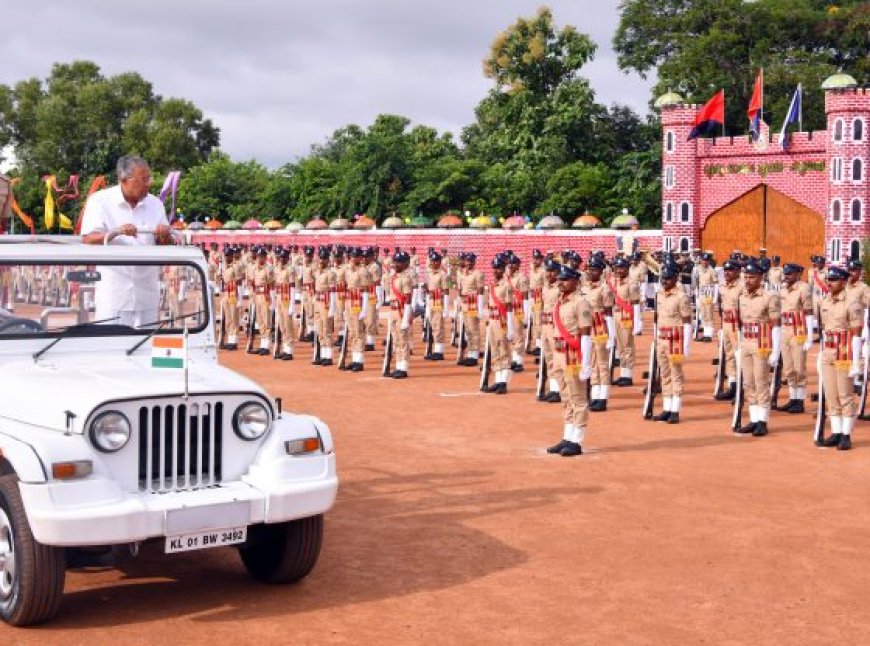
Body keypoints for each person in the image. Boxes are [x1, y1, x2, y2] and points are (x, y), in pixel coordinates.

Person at [81, 155, 174, 327]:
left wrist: (164, 236)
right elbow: (88, 239)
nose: (148, 184)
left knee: (146, 348)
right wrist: (115, 232)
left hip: (147, 297)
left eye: (149, 178)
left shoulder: (155, 204)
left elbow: (165, 246)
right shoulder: (100, 201)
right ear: (124, 180)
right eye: (143, 179)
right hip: (114, 297)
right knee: (111, 349)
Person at [546, 265, 592, 457]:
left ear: (575, 281)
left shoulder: (581, 302)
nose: (561, 282)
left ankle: (577, 440)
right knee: (566, 397)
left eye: (565, 279)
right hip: (559, 355)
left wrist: (586, 364)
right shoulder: (560, 302)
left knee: (578, 398)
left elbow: (586, 335)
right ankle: (568, 436)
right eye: (560, 279)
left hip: (573, 355)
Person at [818, 266, 865, 450]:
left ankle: (846, 434)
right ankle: (836, 431)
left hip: (845, 352)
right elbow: (823, 329)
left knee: (845, 395)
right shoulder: (825, 302)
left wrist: (855, 362)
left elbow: (856, 333)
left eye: (834, 280)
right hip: (828, 350)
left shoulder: (852, 303)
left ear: (843, 282)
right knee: (831, 395)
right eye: (829, 279)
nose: (829, 283)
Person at [734, 261, 782, 437]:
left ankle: (762, 421)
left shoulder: (770, 297)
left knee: (761, 381)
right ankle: (754, 419)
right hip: (746, 341)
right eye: (745, 277)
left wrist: (775, 352)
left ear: (761, 277)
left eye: (751, 277)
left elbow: (776, 326)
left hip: (762, 342)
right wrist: (739, 345)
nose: (747, 280)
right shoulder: (742, 296)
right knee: (748, 382)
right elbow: (740, 324)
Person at [650, 264, 692, 424]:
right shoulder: (659, 295)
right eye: (663, 278)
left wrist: (686, 345)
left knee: (676, 374)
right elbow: (656, 318)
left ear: (676, 278)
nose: (664, 281)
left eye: (668, 278)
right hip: (661, 339)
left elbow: (687, 322)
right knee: (664, 374)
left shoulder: (681, 296)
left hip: (675, 340)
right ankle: (667, 408)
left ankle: (675, 409)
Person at [775, 264, 813, 413]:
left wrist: (809, 337)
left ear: (798, 274)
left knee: (799, 368)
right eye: (786, 273)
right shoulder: (783, 289)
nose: (787, 276)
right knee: (789, 368)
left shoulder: (803, 289)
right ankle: (792, 398)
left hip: (798, 330)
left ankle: (800, 401)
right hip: (785, 329)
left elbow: (809, 313)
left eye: (790, 274)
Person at [580, 257, 615, 412]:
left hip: (600, 327)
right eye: (590, 269)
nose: (591, 272)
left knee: (602, 364)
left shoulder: (605, 289)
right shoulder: (584, 288)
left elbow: (608, 313)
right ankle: (595, 395)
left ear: (601, 271)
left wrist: (611, 336)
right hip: (587, 328)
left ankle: (603, 397)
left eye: (595, 269)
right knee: (592, 362)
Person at [484, 255, 515, 394]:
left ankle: (504, 382)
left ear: (503, 270)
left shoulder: (506, 285)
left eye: (499, 268)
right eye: (495, 268)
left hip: (502, 321)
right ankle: (497, 380)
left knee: (503, 350)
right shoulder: (491, 285)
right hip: (492, 320)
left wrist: (511, 328)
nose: (496, 270)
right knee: (495, 350)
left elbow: (509, 307)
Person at [610, 257, 642, 386]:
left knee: (627, 344)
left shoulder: (632, 283)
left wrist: (637, 322)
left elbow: (636, 304)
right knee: (620, 345)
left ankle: (627, 375)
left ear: (627, 269)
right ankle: (623, 373)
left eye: (621, 268)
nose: (618, 270)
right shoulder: (615, 282)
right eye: (617, 268)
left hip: (626, 315)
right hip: (616, 313)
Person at [714, 259, 743, 401]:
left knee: (740, 355)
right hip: (726, 324)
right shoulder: (722, 286)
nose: (727, 273)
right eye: (725, 270)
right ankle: (733, 384)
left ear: (738, 271)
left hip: (738, 324)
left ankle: (742, 386)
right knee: (729, 355)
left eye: (730, 270)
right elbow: (721, 305)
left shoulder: (742, 286)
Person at [343, 247, 372, 371]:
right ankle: (354, 359)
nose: (354, 259)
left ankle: (359, 361)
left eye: (356, 257)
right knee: (352, 331)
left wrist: (365, 309)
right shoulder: (348, 269)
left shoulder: (363, 271)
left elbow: (366, 291)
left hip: (358, 302)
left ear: (361, 258)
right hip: (349, 300)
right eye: (352, 256)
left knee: (358, 331)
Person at [387, 251, 415, 379]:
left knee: (403, 341)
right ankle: (398, 365)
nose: (396, 264)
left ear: (406, 264)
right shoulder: (395, 277)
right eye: (395, 261)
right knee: (397, 340)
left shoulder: (405, 278)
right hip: (394, 312)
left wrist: (405, 319)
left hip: (402, 312)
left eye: (399, 262)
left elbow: (408, 299)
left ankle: (403, 368)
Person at [458, 253, 485, 367]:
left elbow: (480, 291)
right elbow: (460, 290)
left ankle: (474, 355)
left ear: (474, 262)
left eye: (471, 261)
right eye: (467, 261)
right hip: (464, 304)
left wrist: (480, 308)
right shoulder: (462, 273)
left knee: (473, 329)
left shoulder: (478, 274)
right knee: (468, 330)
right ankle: (470, 353)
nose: (468, 263)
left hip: (473, 304)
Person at [423, 250, 449, 361]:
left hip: (439, 302)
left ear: (440, 262)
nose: (434, 263)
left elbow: (446, 291)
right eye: (432, 261)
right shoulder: (429, 273)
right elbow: (429, 289)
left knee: (438, 326)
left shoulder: (443, 275)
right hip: (431, 301)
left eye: (436, 261)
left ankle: (439, 351)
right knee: (433, 325)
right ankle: (435, 349)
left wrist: (446, 309)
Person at [248, 247, 275, 356]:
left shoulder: (269, 268)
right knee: (260, 321)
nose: (260, 259)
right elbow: (252, 282)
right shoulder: (255, 268)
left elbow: (272, 284)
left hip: (265, 295)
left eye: (262, 257)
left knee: (266, 320)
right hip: (257, 295)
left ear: (265, 257)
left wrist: (272, 300)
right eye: (258, 257)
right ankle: (262, 344)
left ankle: (266, 346)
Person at [696, 253, 718, 342]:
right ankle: (705, 334)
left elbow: (716, 284)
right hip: (702, 294)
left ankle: (709, 335)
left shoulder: (711, 271)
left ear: (709, 262)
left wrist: (715, 298)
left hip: (709, 294)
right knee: (703, 315)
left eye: (706, 261)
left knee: (709, 315)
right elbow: (697, 283)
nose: (704, 262)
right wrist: (697, 296)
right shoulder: (699, 270)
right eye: (703, 260)